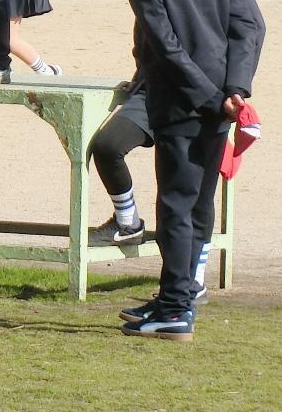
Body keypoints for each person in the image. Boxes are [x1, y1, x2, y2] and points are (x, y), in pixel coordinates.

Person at [118, 0, 264, 342]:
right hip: (220, 103)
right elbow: (250, 29)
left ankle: (177, 306)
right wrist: (234, 90)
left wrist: (208, 96)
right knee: (199, 203)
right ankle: (175, 293)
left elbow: (165, 45)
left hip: (183, 103)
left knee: (177, 207)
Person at [85, 87, 220, 298]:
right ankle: (128, 223)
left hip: (202, 98)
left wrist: (232, 90)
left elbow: (242, 55)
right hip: (154, 90)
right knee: (107, 146)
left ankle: (194, 279)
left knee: (194, 187)